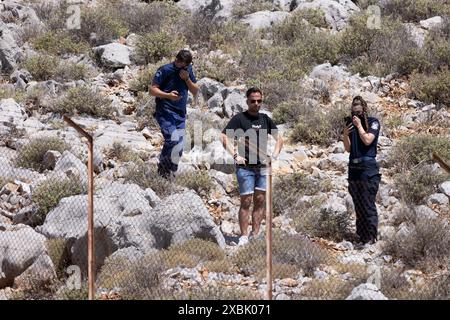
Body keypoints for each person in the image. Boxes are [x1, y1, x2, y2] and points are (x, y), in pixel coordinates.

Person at [221, 87, 284, 246]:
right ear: (247, 101)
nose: (256, 104)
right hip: (245, 167)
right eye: (253, 101)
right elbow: (224, 136)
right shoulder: (239, 119)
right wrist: (235, 155)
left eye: (259, 101)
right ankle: (243, 236)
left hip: (263, 167)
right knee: (246, 201)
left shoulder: (265, 119)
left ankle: (255, 234)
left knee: (260, 200)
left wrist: (274, 156)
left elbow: (279, 139)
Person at [149, 49, 199, 178]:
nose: (178, 62)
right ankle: (163, 169)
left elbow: (195, 91)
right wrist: (168, 95)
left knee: (180, 146)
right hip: (165, 110)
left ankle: (170, 172)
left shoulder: (188, 72)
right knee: (172, 139)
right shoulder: (165, 69)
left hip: (180, 114)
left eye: (181, 62)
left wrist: (187, 79)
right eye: (177, 59)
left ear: (187, 65)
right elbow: (152, 90)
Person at [343, 96, 381, 247]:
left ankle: (371, 237)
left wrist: (359, 126)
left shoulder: (373, 122)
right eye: (354, 106)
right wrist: (345, 134)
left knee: (367, 202)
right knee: (357, 203)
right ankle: (362, 236)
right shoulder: (350, 124)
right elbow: (348, 148)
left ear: (364, 108)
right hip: (354, 168)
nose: (356, 108)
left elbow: (367, 140)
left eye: (359, 106)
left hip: (368, 168)